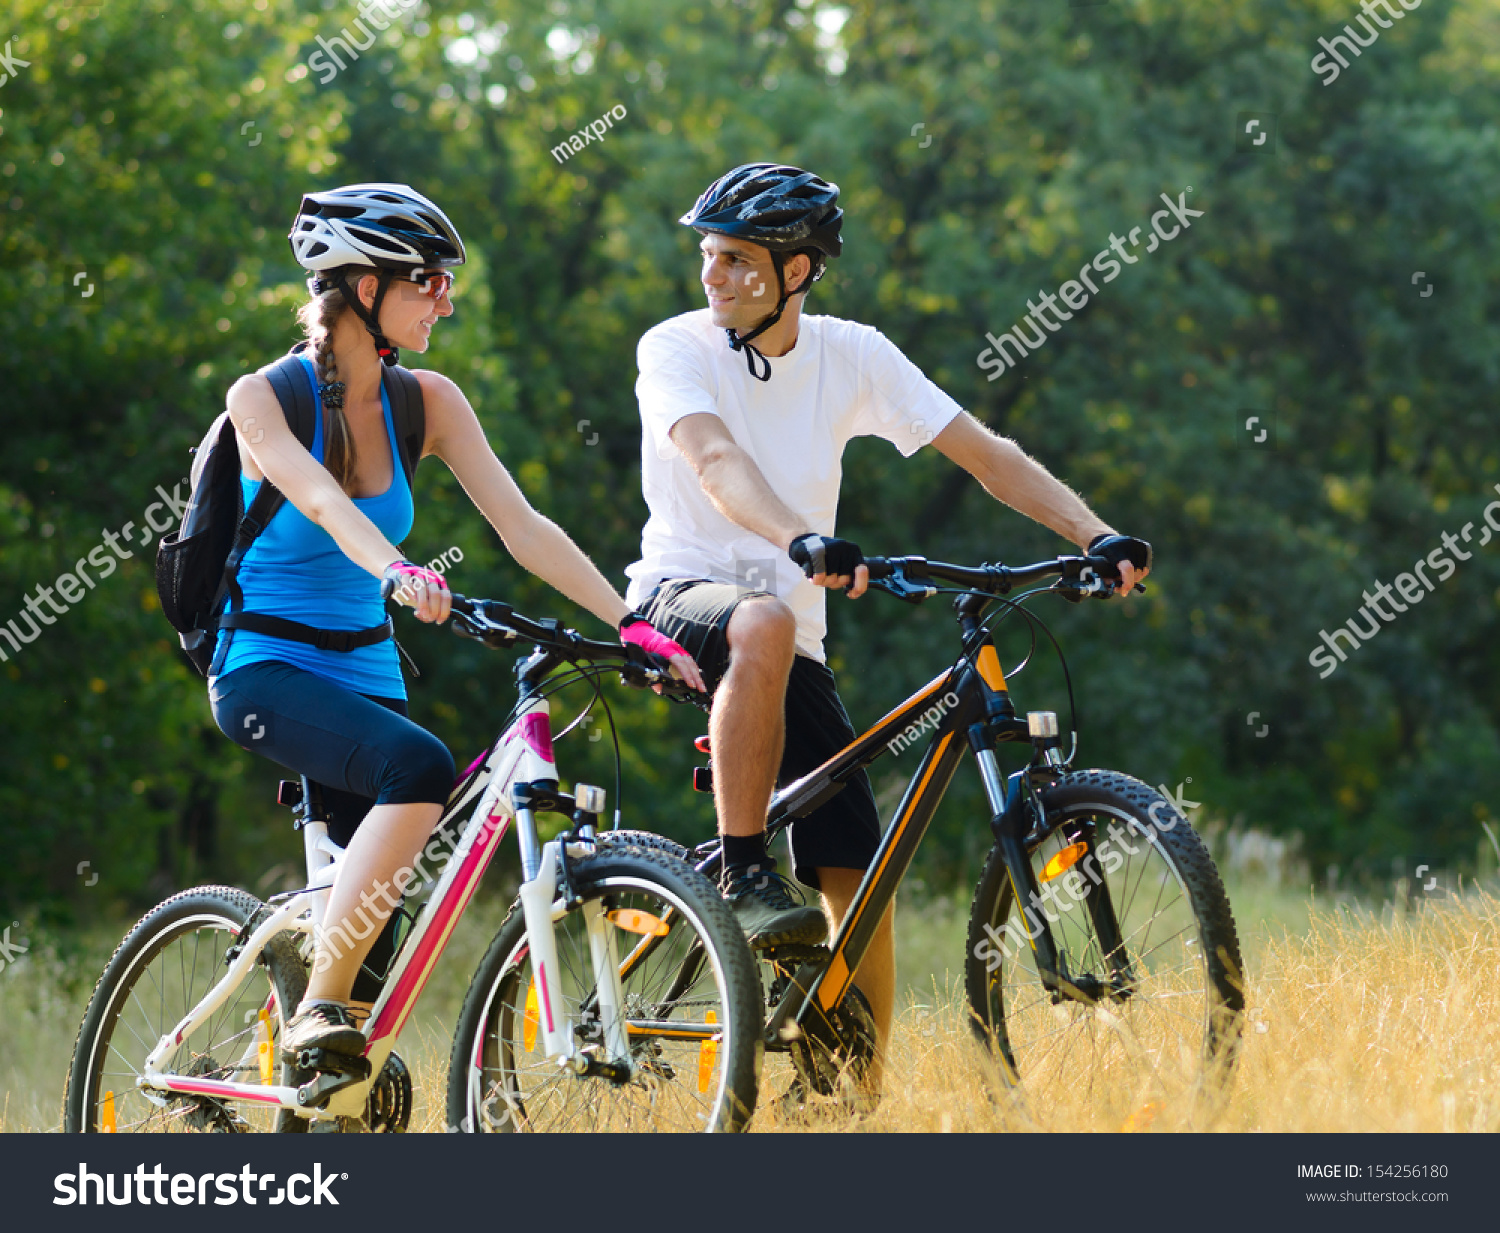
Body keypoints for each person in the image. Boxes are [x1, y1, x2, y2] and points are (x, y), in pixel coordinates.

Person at [623, 163, 1151, 1082]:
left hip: (790, 635)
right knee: (762, 621)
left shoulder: (852, 353)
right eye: (709, 254)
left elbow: (984, 454)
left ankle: (852, 1099)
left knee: (858, 881)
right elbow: (711, 458)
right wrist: (800, 536)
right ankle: (745, 875)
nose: (713, 275)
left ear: (797, 272)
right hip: (678, 601)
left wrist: (1095, 534)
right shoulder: (675, 347)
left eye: (738, 259)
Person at [209, 183, 701, 1065]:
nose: (446, 296)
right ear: (363, 287)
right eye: (429, 279)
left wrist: (633, 623)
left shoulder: (426, 400)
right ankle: (317, 1009)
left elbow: (524, 529)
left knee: (377, 943)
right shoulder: (265, 398)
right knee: (422, 767)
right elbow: (320, 500)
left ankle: (321, 1053)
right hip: (264, 668)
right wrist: (398, 569)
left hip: (368, 669)